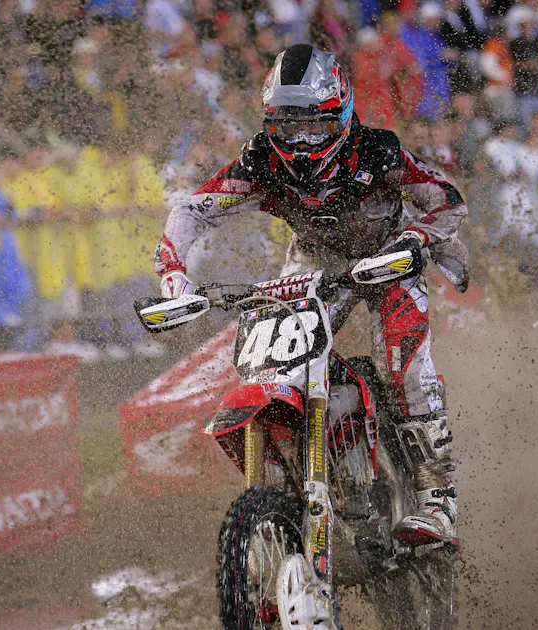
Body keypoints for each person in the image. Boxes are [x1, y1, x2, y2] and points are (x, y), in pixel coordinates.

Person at [153, 45, 469, 546]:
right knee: (280, 362)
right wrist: (174, 276)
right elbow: (190, 211)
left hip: (387, 256)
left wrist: (415, 239)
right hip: (316, 260)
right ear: (269, 123)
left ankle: (438, 497)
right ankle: (304, 476)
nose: (300, 141)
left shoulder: (376, 151)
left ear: (340, 115)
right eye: (287, 126)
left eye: (313, 125)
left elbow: (445, 198)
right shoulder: (260, 162)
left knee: (405, 363)